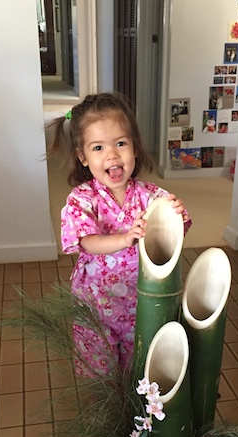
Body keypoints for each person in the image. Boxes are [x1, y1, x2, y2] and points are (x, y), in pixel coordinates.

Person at [47, 92, 191, 376]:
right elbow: (87, 242)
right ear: (83, 157)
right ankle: (106, 410)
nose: (112, 155)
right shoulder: (82, 199)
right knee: (101, 369)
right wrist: (125, 238)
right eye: (98, 148)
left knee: (139, 362)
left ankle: (137, 411)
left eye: (121, 144)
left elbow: (175, 232)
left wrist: (173, 212)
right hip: (97, 302)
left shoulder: (151, 195)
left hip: (142, 301)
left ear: (135, 149)